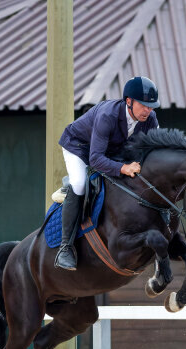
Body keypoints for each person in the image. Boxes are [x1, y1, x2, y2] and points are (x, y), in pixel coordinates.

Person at [54, 76, 161, 270]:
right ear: (129, 101)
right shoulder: (108, 115)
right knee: (79, 183)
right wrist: (123, 168)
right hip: (79, 148)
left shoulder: (150, 119)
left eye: (151, 106)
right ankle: (65, 248)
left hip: (111, 150)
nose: (148, 110)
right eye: (144, 105)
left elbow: (154, 150)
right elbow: (95, 159)